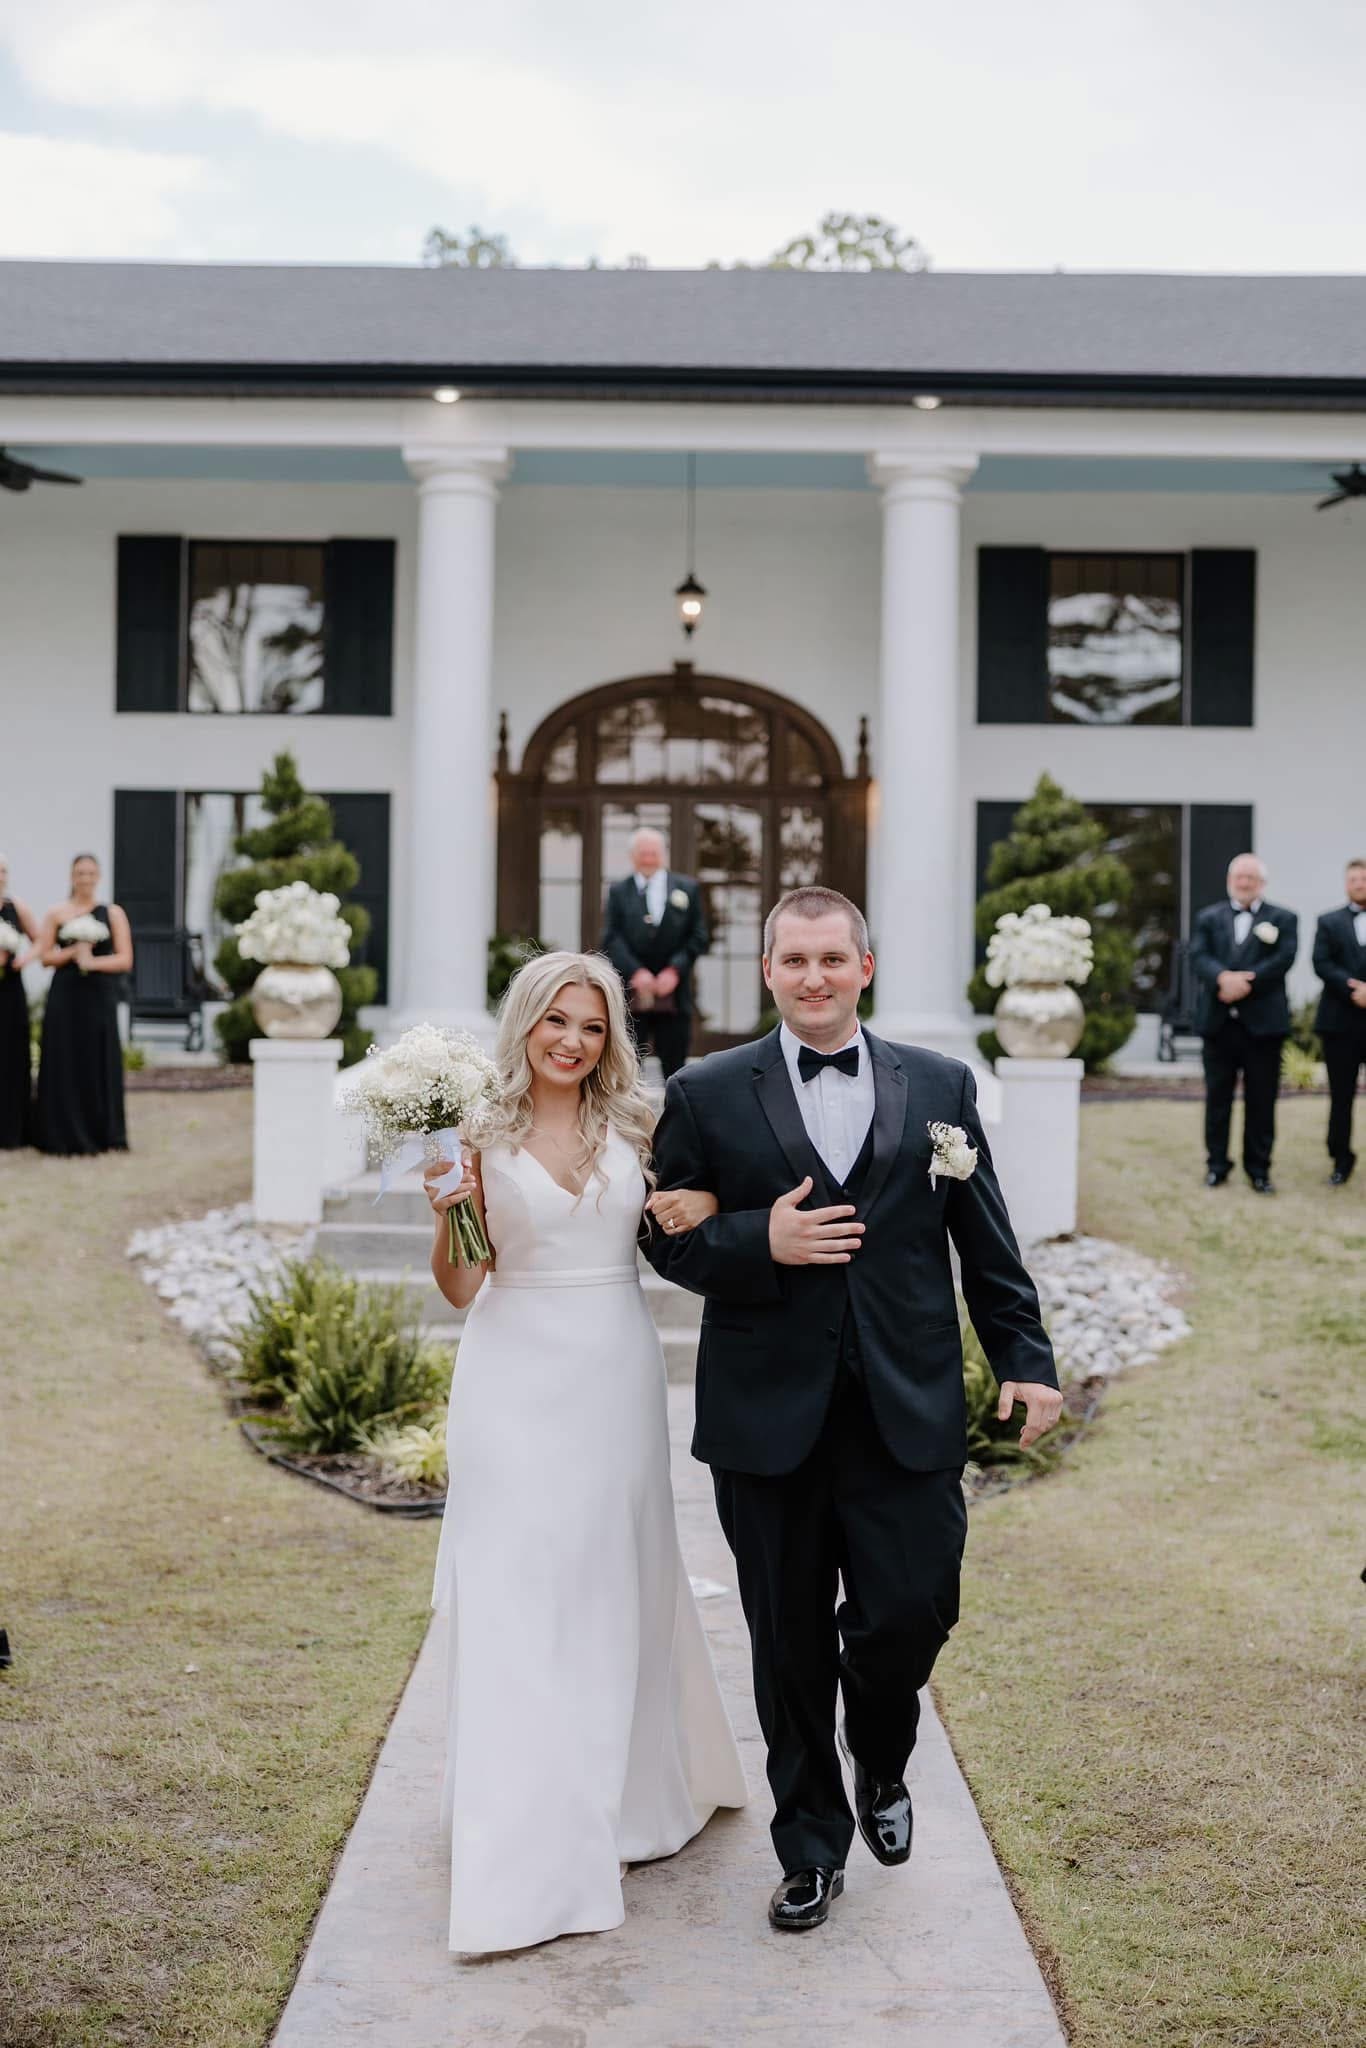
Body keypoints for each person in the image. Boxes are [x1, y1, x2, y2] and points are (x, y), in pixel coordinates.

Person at [644, 885, 1062, 1934]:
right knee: (786, 1644)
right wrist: (759, 1239)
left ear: (864, 967)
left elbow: (986, 1241)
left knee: (913, 1610)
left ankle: (881, 1753)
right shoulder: (704, 1090)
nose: (814, 977)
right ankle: (810, 1848)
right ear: (768, 971)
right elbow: (662, 1234)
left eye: (832, 958)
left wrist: (1025, 1357)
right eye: (794, 960)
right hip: (766, 1418)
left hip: (904, 1405)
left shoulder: (940, 1084)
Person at [422, 949, 746, 1955]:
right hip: (511, 1375)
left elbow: (692, 1211)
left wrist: (705, 1206)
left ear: (611, 1040)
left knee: (613, 1579)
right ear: (524, 1022)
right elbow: (463, 1286)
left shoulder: (638, 1125)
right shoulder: (472, 1130)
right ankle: (529, 1825)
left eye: (592, 1026)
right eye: (556, 1020)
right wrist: (450, 1213)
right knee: (519, 1586)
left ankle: (625, 1797)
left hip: (613, 1372)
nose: (571, 1040)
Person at [1188, 853, 1298, 1194]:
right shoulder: (1208, 917)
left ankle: (1259, 1169)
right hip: (1218, 1023)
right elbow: (1198, 955)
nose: (1245, 882)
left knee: (1262, 1101)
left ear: (1262, 883)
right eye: (1239, 876)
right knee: (1217, 1100)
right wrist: (1222, 978)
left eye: (1251, 877)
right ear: (1229, 881)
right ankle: (1216, 1166)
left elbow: (1284, 958)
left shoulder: (1283, 918)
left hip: (1263, 1025)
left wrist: (1246, 982)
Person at [34, 853, 133, 1157]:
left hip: (98, 996)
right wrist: (72, 952)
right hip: (65, 996)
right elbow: (45, 956)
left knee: (96, 1057)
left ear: (98, 877)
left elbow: (125, 959)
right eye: (80, 873)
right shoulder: (57, 913)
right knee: (65, 1058)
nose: (85, 879)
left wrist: (92, 961)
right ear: (72, 876)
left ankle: (102, 1131)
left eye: (90, 873)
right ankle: (61, 1131)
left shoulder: (113, 913)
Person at [601, 827, 709, 1078]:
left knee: (675, 1066)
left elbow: (699, 937)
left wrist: (674, 971)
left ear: (664, 854)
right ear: (632, 856)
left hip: (675, 995)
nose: (648, 859)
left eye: (654, 853)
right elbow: (611, 938)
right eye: (643, 853)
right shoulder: (618, 892)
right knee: (627, 1064)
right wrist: (636, 972)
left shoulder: (687, 888)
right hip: (631, 994)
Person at [1311, 857, 1366, 1186]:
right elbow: (1321, 962)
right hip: (1339, 1023)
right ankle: (1340, 1159)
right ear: (1346, 884)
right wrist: (1353, 990)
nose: (1359, 884)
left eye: (1364, 878)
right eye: (1354, 879)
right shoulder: (1328, 921)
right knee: (1341, 1097)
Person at [0, 854, 41, 1149]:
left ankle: (12, 1129)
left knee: (11, 1055)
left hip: (10, 991)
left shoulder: (18, 908)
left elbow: (41, 940)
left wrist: (22, 960)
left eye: (3, 870)